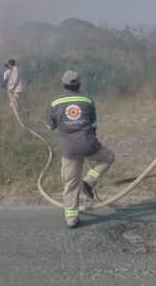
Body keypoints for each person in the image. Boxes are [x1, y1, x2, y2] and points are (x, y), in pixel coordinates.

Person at [45, 70, 115, 229]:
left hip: (69, 149)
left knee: (70, 183)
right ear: (79, 85)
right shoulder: (87, 100)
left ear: (62, 83)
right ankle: (89, 181)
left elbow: (50, 126)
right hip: (89, 144)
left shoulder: (54, 102)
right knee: (108, 157)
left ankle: (71, 219)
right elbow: (93, 125)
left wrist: (63, 124)